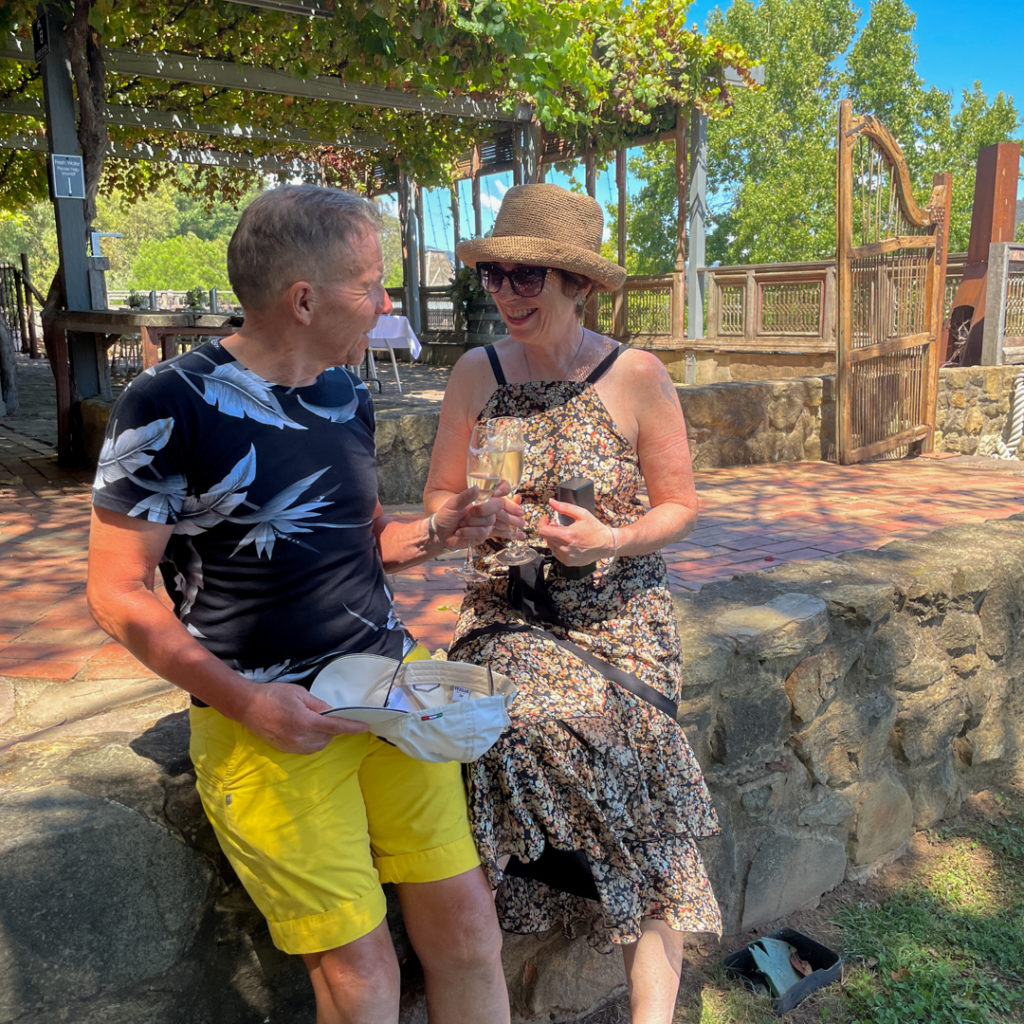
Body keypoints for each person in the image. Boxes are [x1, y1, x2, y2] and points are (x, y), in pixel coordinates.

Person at [87, 185, 510, 1024]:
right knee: (364, 978)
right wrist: (249, 703)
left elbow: (365, 540)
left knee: (469, 935)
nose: (387, 303)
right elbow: (115, 591)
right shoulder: (167, 402)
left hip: (392, 697)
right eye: (371, 283)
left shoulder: (344, 390)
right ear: (305, 299)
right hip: (267, 720)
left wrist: (440, 531)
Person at [424, 183, 721, 1024]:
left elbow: (680, 506)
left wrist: (611, 541)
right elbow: (438, 501)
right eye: (496, 276)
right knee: (503, 729)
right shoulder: (474, 375)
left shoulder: (636, 376)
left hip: (618, 618)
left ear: (578, 285)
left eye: (529, 278)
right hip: (507, 611)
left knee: (634, 747)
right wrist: (465, 520)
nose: (507, 295)